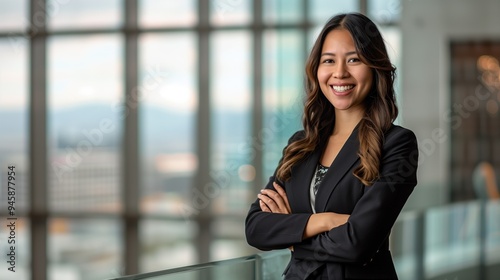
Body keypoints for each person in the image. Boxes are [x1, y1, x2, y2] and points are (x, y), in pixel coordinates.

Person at [245, 13, 419, 280]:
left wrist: (293, 237)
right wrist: (324, 221)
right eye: (329, 60)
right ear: (317, 69)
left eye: (354, 59)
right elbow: (256, 227)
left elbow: (358, 244)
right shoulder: (301, 144)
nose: (339, 73)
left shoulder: (397, 144)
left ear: (374, 67)